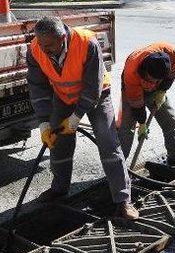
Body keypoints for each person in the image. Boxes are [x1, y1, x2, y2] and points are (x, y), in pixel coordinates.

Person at [26, 16, 139, 220]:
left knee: (107, 141)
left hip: (96, 95)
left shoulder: (87, 43)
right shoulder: (35, 49)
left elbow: (92, 87)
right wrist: (44, 122)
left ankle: (123, 201)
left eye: (49, 45)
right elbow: (38, 87)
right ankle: (59, 189)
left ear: (62, 38)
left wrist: (76, 117)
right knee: (57, 142)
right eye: (41, 44)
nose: (44, 49)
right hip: (63, 97)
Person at [117, 42, 175, 168]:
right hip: (133, 88)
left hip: (158, 91)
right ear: (145, 71)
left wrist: (162, 90)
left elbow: (172, 75)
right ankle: (118, 167)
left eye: (156, 81)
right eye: (150, 80)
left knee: (169, 121)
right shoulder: (132, 72)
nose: (152, 84)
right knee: (127, 127)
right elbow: (136, 102)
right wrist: (142, 123)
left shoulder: (171, 55)